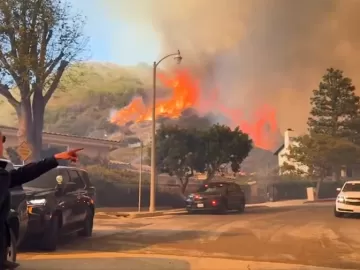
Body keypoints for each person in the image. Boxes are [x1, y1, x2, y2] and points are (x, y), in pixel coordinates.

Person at [0, 131, 83, 269]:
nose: (3, 143)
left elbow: (22, 174)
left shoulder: (3, 174)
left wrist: (55, 159)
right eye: (2, 139)